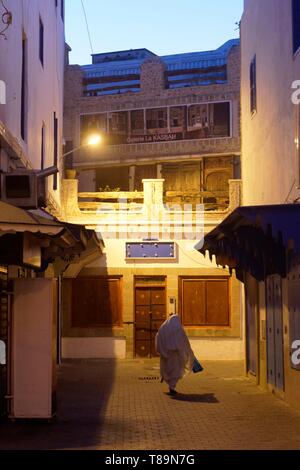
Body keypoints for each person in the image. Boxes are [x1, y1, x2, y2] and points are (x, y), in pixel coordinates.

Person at [155, 314, 196, 395]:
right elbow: (183, 341)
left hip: (166, 354)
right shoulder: (178, 329)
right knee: (175, 371)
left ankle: (170, 385)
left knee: (167, 369)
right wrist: (186, 351)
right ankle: (172, 387)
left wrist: (162, 350)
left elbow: (158, 338)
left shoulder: (163, 328)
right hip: (175, 355)